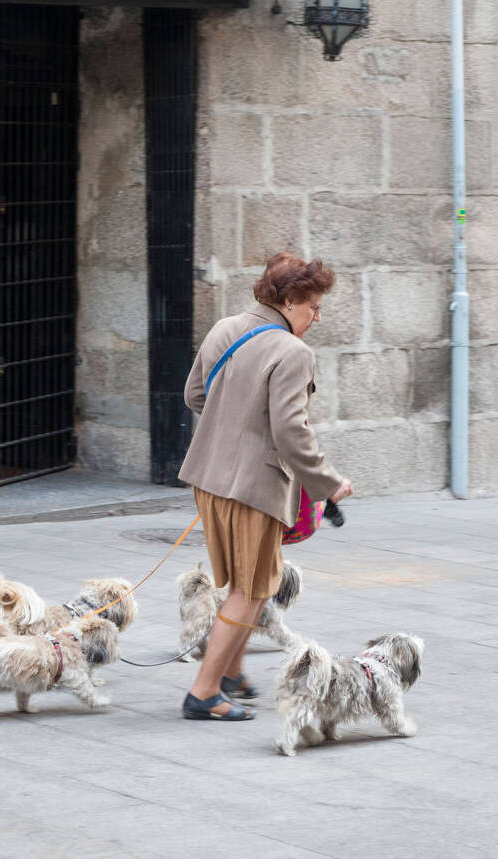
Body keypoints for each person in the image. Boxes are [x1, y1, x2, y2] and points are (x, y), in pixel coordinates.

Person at [177, 252, 353, 721]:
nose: (317, 316)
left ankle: (231, 672)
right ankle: (205, 692)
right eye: (313, 306)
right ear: (291, 299)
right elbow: (291, 431)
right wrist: (329, 484)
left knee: (243, 582)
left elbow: (195, 396)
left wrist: (231, 424)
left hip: (207, 480)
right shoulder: (293, 352)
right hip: (254, 487)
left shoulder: (224, 328)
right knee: (252, 589)